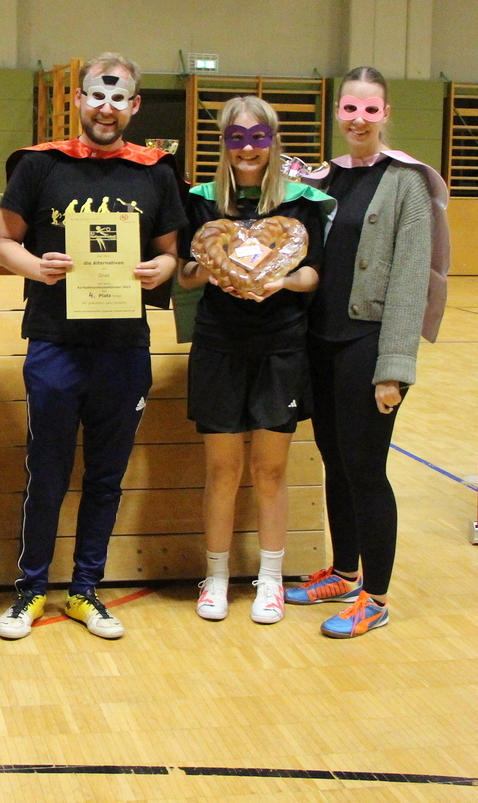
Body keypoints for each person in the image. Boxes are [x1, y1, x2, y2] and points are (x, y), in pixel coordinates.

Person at [0, 52, 184, 641]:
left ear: (134, 105)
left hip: (124, 348)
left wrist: (159, 270)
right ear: (78, 100)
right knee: (47, 471)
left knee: (105, 475)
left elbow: (171, 254)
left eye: (118, 98)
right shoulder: (40, 165)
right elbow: (3, 243)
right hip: (56, 345)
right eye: (97, 96)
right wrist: (37, 268)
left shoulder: (155, 172)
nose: (106, 108)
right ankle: (30, 589)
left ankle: (84, 589)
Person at [286, 66, 449, 638]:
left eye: (370, 110)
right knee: (333, 459)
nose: (359, 119)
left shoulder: (407, 183)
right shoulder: (321, 177)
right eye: (350, 108)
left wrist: (394, 369)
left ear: (386, 115)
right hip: (320, 343)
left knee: (365, 469)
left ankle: (375, 597)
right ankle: (343, 571)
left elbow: (410, 279)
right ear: (337, 112)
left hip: (368, 344)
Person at [177, 97, 331, 625]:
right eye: (237, 138)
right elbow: (186, 275)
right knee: (222, 470)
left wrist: (277, 280)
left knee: (270, 470)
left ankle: (270, 579)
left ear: (273, 140)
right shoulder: (201, 202)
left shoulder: (301, 203)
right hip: (219, 345)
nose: (248, 148)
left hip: (280, 347)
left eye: (258, 137)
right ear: (224, 142)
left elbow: (313, 274)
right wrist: (210, 267)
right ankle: (216, 577)